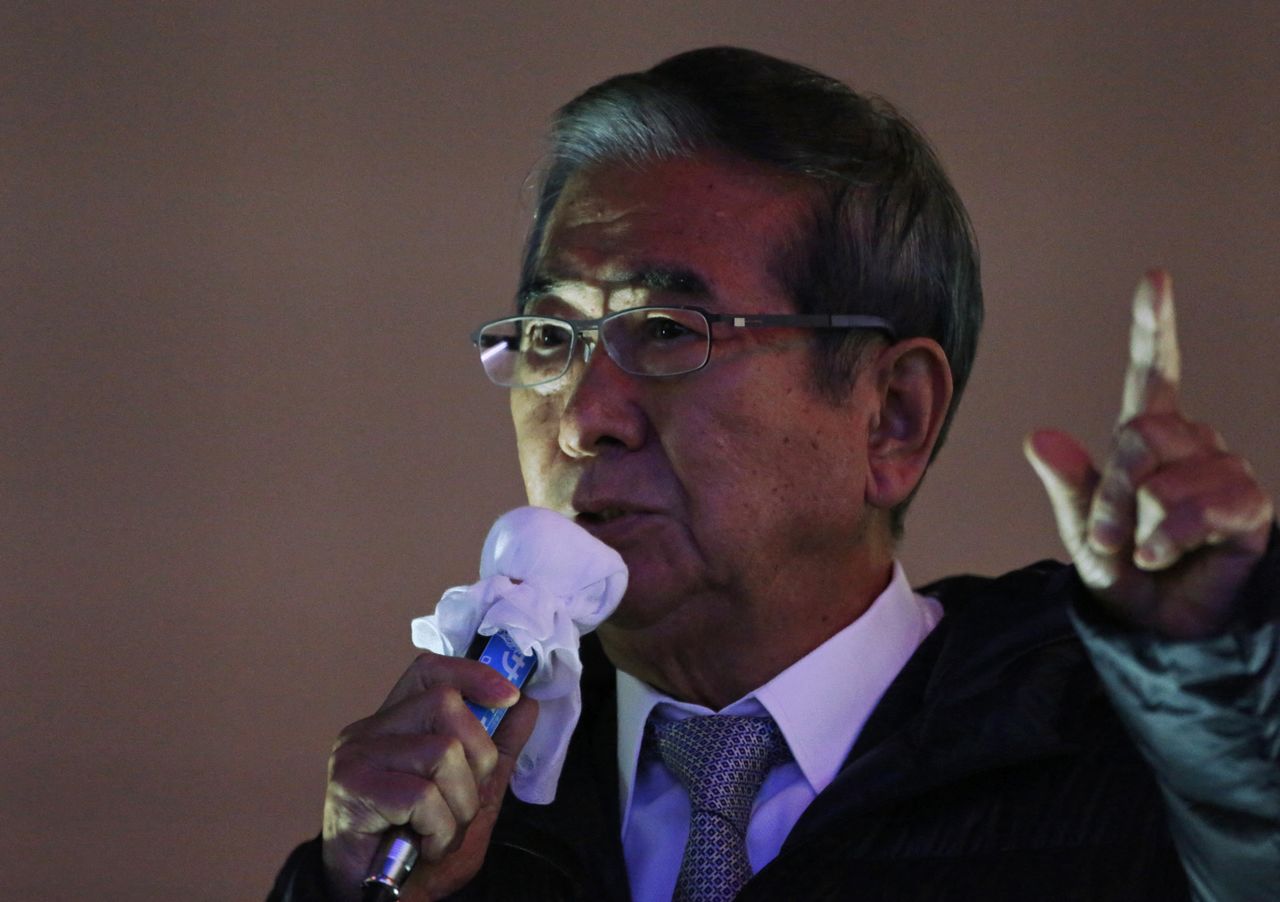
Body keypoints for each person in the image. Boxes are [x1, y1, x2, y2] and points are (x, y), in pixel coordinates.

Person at [270, 47, 1277, 901]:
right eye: (550, 335)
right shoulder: (468, 812)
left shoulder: (1111, 743)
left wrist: (1208, 671)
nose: (580, 416)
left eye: (665, 331)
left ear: (890, 418)